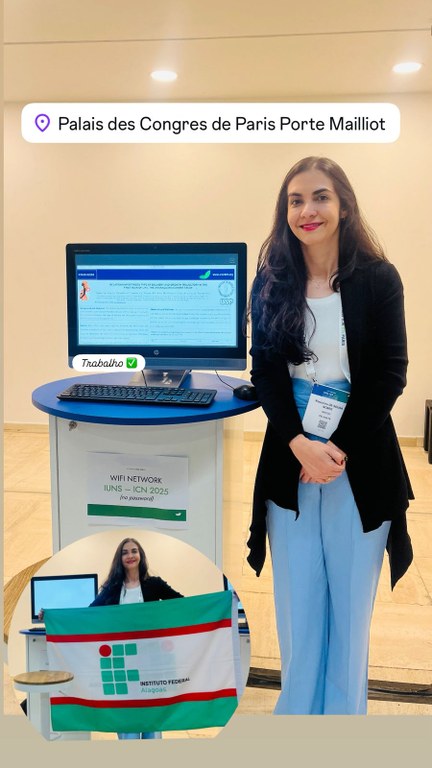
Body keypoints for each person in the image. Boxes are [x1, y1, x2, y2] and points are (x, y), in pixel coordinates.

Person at [246, 156, 413, 715]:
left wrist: (335, 450)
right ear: (285, 211)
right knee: (297, 607)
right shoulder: (271, 282)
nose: (307, 210)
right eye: (295, 200)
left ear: (343, 205)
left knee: (349, 610)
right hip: (289, 455)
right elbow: (266, 371)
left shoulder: (378, 279)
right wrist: (299, 443)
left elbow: (390, 373)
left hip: (359, 456)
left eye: (320, 197)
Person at [91, 537, 183, 738]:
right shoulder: (112, 588)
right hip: (123, 664)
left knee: (152, 724)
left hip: (152, 663)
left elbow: (183, 604)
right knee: (128, 727)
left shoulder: (155, 584)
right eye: (125, 552)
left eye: (134, 551)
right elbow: (88, 614)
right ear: (119, 558)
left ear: (141, 555)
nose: (130, 556)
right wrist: (53, 616)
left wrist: (224, 601)